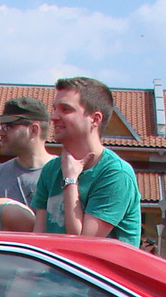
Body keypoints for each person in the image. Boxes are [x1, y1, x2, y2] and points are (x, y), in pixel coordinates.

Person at [32, 77, 141, 245]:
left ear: (95, 119)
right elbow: (38, 240)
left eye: (65, 109)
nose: (53, 117)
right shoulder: (50, 170)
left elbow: (82, 245)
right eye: (54, 109)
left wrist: (70, 179)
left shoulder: (115, 174)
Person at [0, 97, 52, 207]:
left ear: (34, 130)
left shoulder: (63, 173)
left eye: (8, 126)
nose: (0, 133)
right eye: (1, 126)